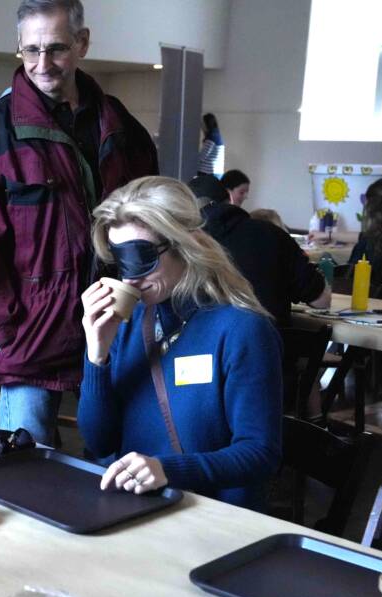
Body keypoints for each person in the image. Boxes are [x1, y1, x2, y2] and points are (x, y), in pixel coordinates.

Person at [0, 0, 158, 446]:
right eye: (31, 51)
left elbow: (152, 216)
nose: (42, 64)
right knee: (27, 469)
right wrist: (2, 333)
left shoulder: (120, 125)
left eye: (57, 49)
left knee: (122, 458)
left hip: (115, 322)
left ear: (82, 43)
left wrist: (146, 298)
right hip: (32, 335)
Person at [78, 176, 282, 511]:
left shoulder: (242, 330)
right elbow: (99, 441)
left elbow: (260, 453)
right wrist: (96, 355)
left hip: (210, 518)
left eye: (141, 257)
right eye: (120, 259)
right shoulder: (127, 325)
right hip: (133, 510)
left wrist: (166, 470)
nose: (129, 278)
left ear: (184, 247)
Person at [188, 173, 330, 326]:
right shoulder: (273, 234)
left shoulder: (181, 245)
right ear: (229, 199)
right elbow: (322, 300)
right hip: (268, 344)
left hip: (198, 345)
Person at [197, 113, 225, 177]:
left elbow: (202, 157)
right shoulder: (216, 135)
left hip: (209, 173)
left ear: (207, 124)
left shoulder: (212, 137)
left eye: (202, 123)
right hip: (215, 172)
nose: (201, 126)